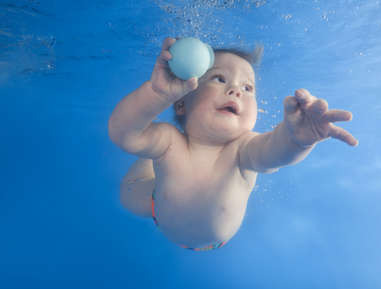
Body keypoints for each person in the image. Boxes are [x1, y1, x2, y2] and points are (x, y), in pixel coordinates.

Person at [108, 37, 358, 251]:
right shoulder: (170, 141)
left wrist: (297, 139)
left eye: (248, 87)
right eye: (219, 79)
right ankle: (150, 162)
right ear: (182, 101)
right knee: (127, 194)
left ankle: (151, 159)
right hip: (157, 210)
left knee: (148, 149)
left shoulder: (244, 149)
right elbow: (123, 134)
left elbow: (275, 151)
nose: (236, 90)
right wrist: (157, 94)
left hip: (215, 240)